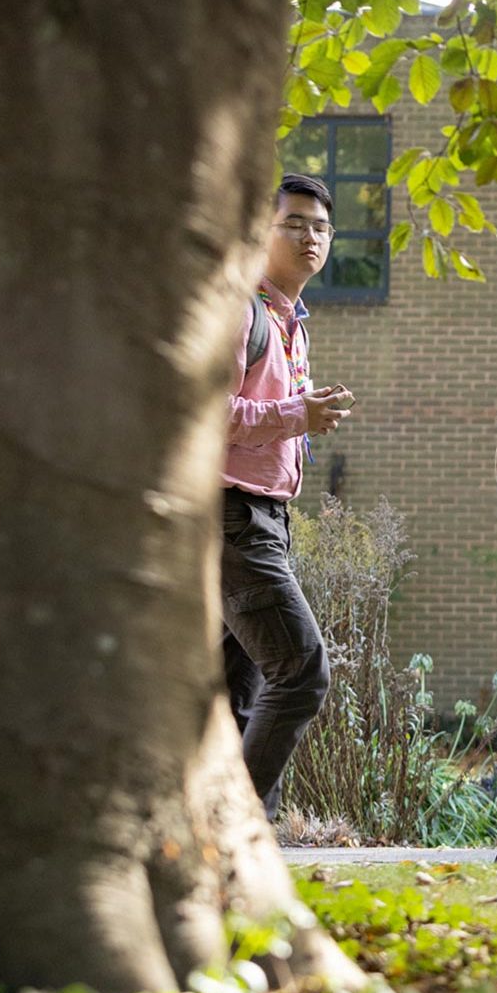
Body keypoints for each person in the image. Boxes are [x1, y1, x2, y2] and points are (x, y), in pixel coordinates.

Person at [224, 172, 355, 817]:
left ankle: (235, 854)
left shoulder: (290, 321)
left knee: (236, 699)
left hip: (266, 517)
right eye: (295, 223)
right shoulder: (240, 310)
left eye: (323, 227)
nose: (311, 237)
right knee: (300, 673)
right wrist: (295, 416)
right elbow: (204, 415)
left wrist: (304, 413)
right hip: (231, 518)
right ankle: (243, 840)